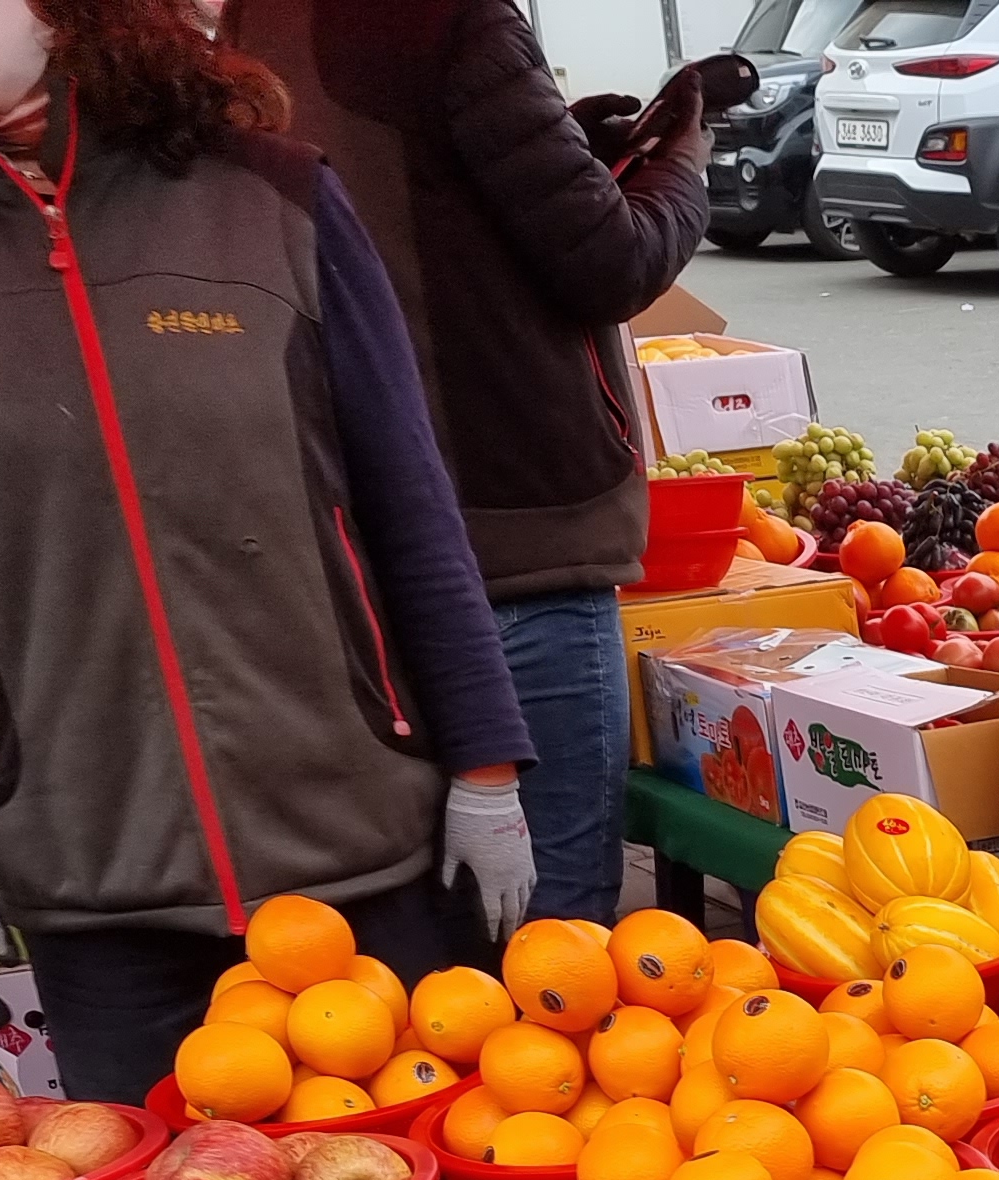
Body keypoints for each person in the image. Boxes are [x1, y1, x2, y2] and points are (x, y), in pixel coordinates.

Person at [0, 0, 538, 1102]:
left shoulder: (270, 197)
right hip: (92, 884)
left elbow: (407, 502)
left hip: (358, 850)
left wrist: (485, 768)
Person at [221, 0, 734, 929]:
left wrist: (565, 147)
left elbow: (416, 198)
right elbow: (613, 261)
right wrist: (682, 168)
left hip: (357, 545)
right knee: (558, 928)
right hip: (518, 530)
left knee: (423, 927)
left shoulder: (250, 29)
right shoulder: (450, 18)